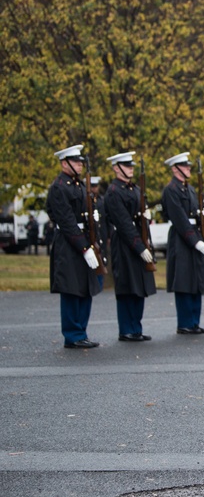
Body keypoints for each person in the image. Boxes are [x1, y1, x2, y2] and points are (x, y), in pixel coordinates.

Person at [46, 145, 103, 349]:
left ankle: (82, 332)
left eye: (80, 162)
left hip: (85, 240)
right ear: (64, 163)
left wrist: (93, 243)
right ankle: (72, 334)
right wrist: (84, 247)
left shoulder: (79, 185)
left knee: (86, 288)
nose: (80, 165)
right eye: (76, 161)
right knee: (71, 290)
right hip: (70, 244)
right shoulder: (59, 187)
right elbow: (66, 221)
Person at [104, 152, 157, 341]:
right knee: (127, 287)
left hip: (138, 242)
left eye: (132, 166)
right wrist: (139, 247)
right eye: (127, 166)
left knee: (138, 287)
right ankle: (126, 329)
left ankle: (136, 328)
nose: (131, 169)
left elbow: (141, 220)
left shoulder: (135, 189)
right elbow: (124, 223)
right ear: (116, 168)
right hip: (125, 244)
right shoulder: (113, 192)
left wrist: (147, 242)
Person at [161, 152, 204, 334]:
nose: (188, 168)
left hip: (194, 235)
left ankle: (194, 321)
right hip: (182, 239)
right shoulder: (171, 190)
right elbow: (180, 219)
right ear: (175, 169)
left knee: (195, 280)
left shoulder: (189, 188)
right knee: (183, 281)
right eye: (184, 166)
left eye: (188, 166)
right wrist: (195, 242)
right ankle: (185, 322)